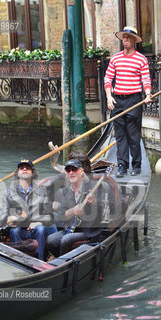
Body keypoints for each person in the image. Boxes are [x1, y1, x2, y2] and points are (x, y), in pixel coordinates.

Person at [104, 26, 152, 178]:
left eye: (128, 38)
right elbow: (107, 79)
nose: (125, 40)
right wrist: (108, 97)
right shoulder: (115, 58)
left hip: (134, 99)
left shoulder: (141, 59)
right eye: (124, 37)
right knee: (120, 135)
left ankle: (136, 165)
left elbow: (146, 80)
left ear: (134, 40)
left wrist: (148, 94)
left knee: (133, 134)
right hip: (117, 99)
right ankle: (122, 166)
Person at [0, 159, 55, 260]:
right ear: (17, 173)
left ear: (32, 173)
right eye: (21, 168)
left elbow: (49, 216)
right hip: (19, 228)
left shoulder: (42, 192)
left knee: (41, 229)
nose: (24, 169)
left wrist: (38, 223)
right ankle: (19, 260)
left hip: (36, 228)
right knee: (15, 231)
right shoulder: (8, 193)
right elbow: (3, 215)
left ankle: (40, 261)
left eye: (28, 168)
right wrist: (8, 219)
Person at [46, 159, 103, 257]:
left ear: (81, 172)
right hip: (71, 227)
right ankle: (60, 257)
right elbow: (62, 215)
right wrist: (72, 211)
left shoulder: (94, 187)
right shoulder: (64, 191)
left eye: (74, 169)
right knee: (50, 240)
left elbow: (103, 214)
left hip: (88, 230)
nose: (71, 172)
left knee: (66, 239)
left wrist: (94, 202)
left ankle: (62, 265)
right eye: (68, 170)